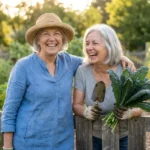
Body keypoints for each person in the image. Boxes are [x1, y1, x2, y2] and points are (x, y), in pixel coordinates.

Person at [1, 13, 135, 150]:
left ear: (62, 38)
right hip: (30, 143)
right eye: (45, 34)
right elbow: (10, 110)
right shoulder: (23, 67)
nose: (52, 39)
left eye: (57, 33)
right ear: (38, 39)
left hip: (62, 143)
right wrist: (7, 146)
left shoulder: (69, 62)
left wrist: (119, 57)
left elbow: (96, 58)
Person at [73, 24, 144, 150]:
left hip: (123, 138)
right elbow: (76, 105)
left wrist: (129, 113)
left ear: (110, 46)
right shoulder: (82, 71)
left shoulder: (125, 70)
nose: (89, 47)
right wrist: (85, 111)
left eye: (95, 43)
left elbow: (141, 105)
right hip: (92, 137)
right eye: (87, 43)